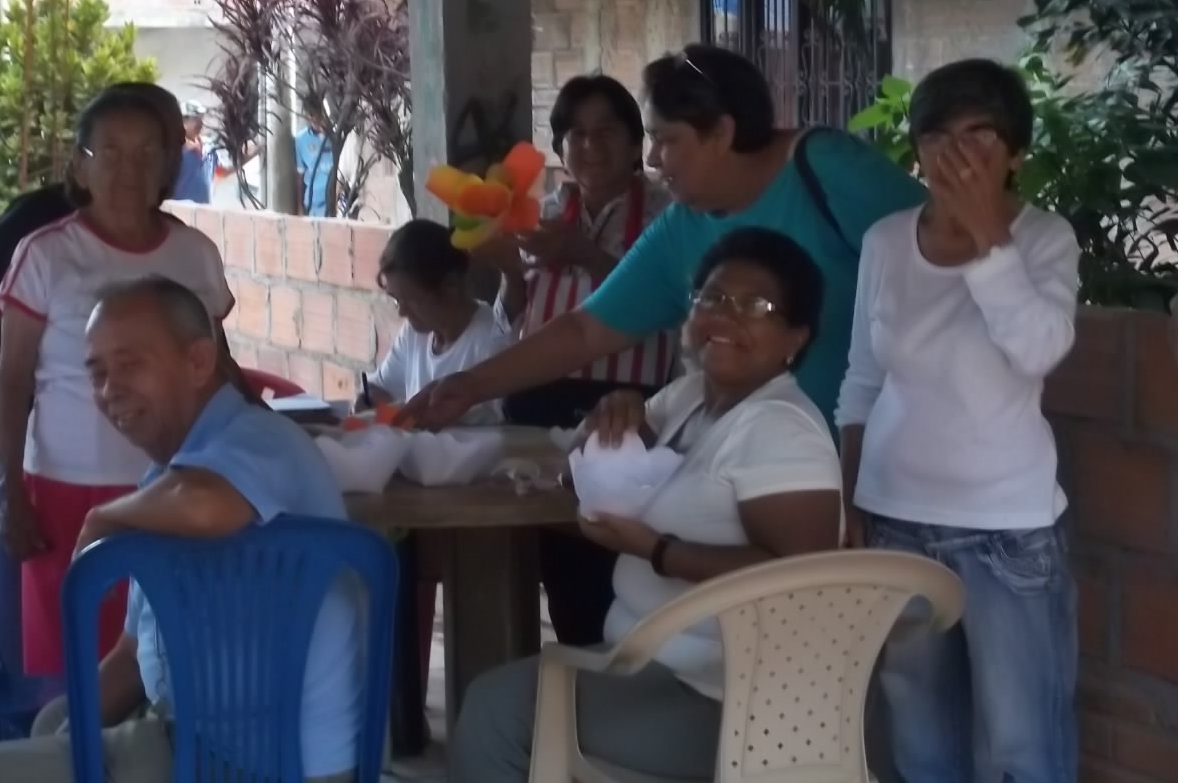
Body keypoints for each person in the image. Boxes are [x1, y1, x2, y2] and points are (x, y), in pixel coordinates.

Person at [448, 227, 843, 783]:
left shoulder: (781, 429)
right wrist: (610, 414)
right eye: (710, 298)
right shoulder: (687, 398)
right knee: (507, 700)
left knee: (496, 716)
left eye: (755, 306)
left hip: (733, 706)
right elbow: (588, 465)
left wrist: (655, 549)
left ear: (795, 338)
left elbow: (798, 579)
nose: (724, 317)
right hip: (647, 669)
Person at [0, 276, 359, 783]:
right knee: (55, 721)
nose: (108, 389)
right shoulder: (167, 478)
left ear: (197, 362)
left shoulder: (258, 439)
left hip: (259, 763)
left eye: (130, 364)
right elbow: (131, 655)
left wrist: (103, 520)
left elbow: (209, 505)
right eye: (96, 373)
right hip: (198, 733)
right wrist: (67, 743)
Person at [400, 44, 926, 439]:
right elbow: (585, 331)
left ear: (720, 133)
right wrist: (468, 386)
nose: (652, 160)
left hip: (882, 472)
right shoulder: (686, 223)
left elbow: (950, 255)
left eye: (666, 140)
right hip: (744, 474)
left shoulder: (826, 168)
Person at [835, 59, 1080, 783]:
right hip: (896, 522)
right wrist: (850, 504)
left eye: (980, 135)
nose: (958, 155)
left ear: (1014, 151)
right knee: (918, 737)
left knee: (1020, 745)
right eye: (939, 136)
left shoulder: (1044, 240)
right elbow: (862, 380)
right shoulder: (885, 242)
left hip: (1007, 534)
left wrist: (984, 236)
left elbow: (1038, 349)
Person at [0, 84, 238, 676]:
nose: (130, 168)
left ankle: (156, 770)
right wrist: (10, 491)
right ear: (80, 164)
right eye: (111, 152)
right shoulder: (47, 253)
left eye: (147, 152)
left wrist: (266, 446)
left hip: (178, 491)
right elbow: (12, 380)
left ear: (169, 166)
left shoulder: (194, 253)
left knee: (162, 667)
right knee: (68, 670)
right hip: (62, 491)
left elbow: (219, 371)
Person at [481, 73, 676, 647]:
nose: (590, 146)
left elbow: (668, 304)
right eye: (576, 135)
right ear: (561, 147)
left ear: (637, 141)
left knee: (609, 551)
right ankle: (566, 675)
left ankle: (611, 678)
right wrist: (508, 269)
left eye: (606, 132)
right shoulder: (541, 211)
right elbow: (511, 320)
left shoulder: (668, 215)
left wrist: (584, 255)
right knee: (551, 557)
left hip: (621, 404)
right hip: (539, 398)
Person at [0, 184, 75, 680]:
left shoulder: (170, 239)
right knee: (4, 634)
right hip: (3, 444)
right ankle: (4, 749)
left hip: (92, 459)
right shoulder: (41, 221)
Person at [356, 219, 515, 426]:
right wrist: (367, 401)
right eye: (397, 300)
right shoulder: (414, 334)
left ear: (451, 286)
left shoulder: (490, 339)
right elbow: (380, 387)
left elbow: (500, 424)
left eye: (412, 300)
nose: (403, 312)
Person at [296, 101, 334, 218]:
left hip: (334, 202)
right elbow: (299, 176)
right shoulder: (301, 139)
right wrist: (299, 207)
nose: (316, 119)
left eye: (319, 115)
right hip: (313, 204)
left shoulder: (336, 137)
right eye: (311, 115)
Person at [170, 100, 211, 204]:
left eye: (201, 118)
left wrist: (253, 152)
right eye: (196, 119)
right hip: (179, 213)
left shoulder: (207, 147)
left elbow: (220, 171)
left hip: (204, 214)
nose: (201, 123)